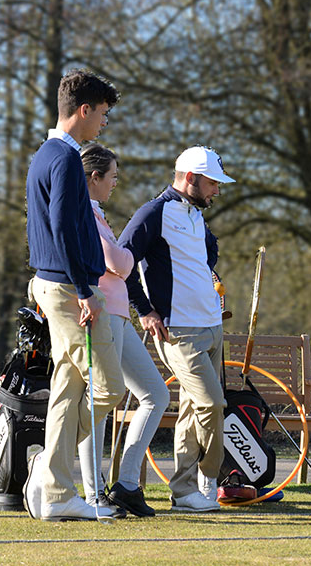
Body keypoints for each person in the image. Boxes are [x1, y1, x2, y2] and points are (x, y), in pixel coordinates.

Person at [23, 69, 125, 522]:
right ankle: (51, 472)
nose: (103, 123)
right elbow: (63, 227)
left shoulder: (44, 154)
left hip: (55, 283)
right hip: (68, 290)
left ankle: (57, 490)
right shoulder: (64, 158)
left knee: (69, 389)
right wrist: (85, 290)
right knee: (109, 386)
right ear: (83, 110)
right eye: (101, 114)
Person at [118, 145, 234, 513]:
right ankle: (208, 478)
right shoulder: (154, 213)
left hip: (212, 326)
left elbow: (209, 250)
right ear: (190, 179)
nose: (217, 191)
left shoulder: (197, 215)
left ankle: (183, 492)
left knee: (191, 410)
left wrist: (203, 272)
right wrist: (146, 311)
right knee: (212, 403)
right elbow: (121, 261)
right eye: (212, 183)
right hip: (178, 331)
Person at [76, 144, 170, 518]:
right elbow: (117, 262)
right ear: (94, 177)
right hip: (103, 314)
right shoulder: (84, 211)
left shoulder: (97, 212)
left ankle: (126, 484)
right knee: (100, 401)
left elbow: (120, 263)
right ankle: (93, 493)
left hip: (119, 316)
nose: (115, 183)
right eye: (112, 176)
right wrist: (125, 258)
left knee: (155, 393)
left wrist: (123, 260)